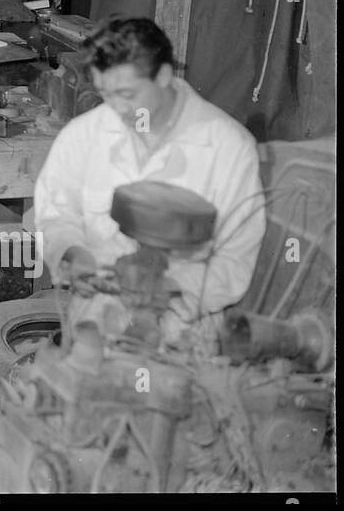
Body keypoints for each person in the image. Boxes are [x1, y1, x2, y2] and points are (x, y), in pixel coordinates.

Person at [33, 17, 266, 338]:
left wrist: (169, 287)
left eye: (128, 94)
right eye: (105, 93)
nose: (116, 107)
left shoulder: (228, 147)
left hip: (182, 331)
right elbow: (55, 215)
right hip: (95, 321)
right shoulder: (85, 134)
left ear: (164, 76)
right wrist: (74, 256)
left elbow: (235, 258)